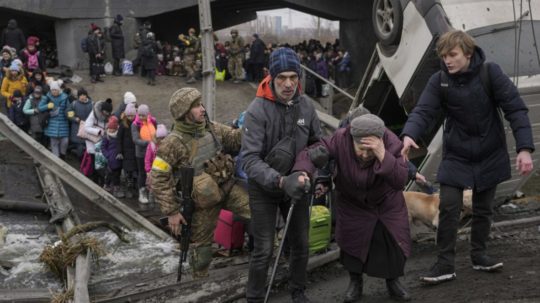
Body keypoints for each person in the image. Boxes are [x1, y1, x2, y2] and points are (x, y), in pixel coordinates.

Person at [400, 30, 535, 284]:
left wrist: (524, 148)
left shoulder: (490, 73)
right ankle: (444, 264)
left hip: (490, 151)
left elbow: (515, 109)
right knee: (449, 205)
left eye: (452, 55)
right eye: (443, 56)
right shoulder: (439, 80)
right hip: (457, 154)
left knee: (483, 209)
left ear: (468, 53)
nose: (447, 60)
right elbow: (424, 110)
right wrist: (409, 134)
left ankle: (479, 255)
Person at [294, 114, 412, 302]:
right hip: (352, 202)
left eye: (370, 150)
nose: (365, 155)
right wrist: (302, 171)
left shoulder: (391, 143)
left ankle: (393, 282)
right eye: (361, 149)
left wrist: (383, 154)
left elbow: (399, 181)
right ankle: (355, 283)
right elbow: (312, 152)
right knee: (352, 244)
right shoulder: (340, 139)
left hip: (385, 203)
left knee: (391, 244)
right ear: (352, 140)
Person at [242, 47, 322, 303]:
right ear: (271, 76)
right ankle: (254, 298)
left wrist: (306, 171)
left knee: (301, 243)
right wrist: (279, 180)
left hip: (297, 184)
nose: (288, 84)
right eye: (282, 78)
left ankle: (298, 292)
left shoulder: (307, 107)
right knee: (263, 249)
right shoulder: (256, 110)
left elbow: (317, 144)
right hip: (264, 187)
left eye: (293, 77)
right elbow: (249, 159)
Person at [150, 87, 250, 279]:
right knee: (202, 252)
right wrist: (172, 212)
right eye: (196, 106)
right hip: (203, 204)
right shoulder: (172, 143)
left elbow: (235, 139)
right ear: (184, 113)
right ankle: (199, 284)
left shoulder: (211, 128)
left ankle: (278, 256)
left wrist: (252, 124)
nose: (202, 108)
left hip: (228, 188)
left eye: (200, 104)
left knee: (260, 213)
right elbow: (158, 177)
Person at [38, 80, 70, 158]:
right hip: (52, 122)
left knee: (65, 141)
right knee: (54, 142)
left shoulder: (65, 97)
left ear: (59, 90)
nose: (54, 91)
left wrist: (70, 114)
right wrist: (47, 106)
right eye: (52, 90)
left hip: (63, 122)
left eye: (55, 90)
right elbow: (39, 108)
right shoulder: (47, 97)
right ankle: (56, 159)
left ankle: (62, 155)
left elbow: (69, 108)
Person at [131, 104, 156, 203]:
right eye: (139, 115)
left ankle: (153, 193)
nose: (141, 117)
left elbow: (157, 133)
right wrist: (149, 143)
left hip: (153, 152)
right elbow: (135, 139)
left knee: (154, 173)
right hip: (141, 153)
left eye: (143, 115)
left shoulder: (153, 121)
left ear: (147, 114)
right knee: (142, 173)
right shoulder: (135, 125)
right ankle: (142, 193)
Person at [117, 103, 138, 198]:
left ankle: (134, 185)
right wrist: (120, 151)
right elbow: (119, 139)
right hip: (126, 151)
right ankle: (128, 187)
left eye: (132, 115)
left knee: (135, 169)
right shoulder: (123, 125)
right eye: (128, 115)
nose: (130, 117)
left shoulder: (137, 124)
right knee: (127, 170)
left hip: (135, 150)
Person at [144, 123, 168, 203]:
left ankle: (160, 199)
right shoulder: (152, 145)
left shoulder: (168, 145)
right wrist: (148, 170)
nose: (162, 140)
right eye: (160, 138)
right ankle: (151, 198)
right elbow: (147, 159)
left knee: (162, 185)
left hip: (164, 169)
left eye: (163, 138)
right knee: (152, 185)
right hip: (153, 170)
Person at [67, 88, 93, 159]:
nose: (82, 97)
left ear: (86, 96)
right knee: (80, 146)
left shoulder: (92, 104)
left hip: (88, 128)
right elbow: (68, 114)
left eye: (84, 95)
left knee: (86, 146)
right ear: (78, 96)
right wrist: (75, 119)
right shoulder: (74, 104)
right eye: (80, 95)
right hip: (76, 128)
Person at [101, 115, 124, 198]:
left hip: (118, 158)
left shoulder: (119, 135)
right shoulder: (106, 137)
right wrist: (107, 155)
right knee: (111, 173)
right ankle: (109, 186)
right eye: (109, 128)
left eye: (112, 129)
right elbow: (103, 147)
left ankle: (115, 187)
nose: (111, 130)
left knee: (117, 173)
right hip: (110, 158)